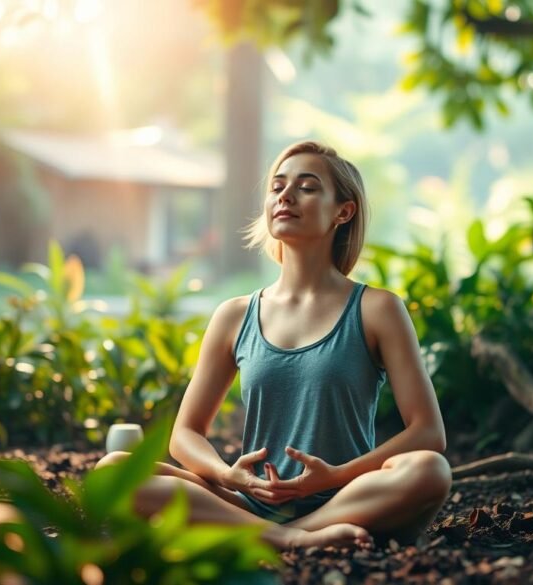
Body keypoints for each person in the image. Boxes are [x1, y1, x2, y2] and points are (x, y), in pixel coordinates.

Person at [97, 141, 451, 551]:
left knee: (429, 470)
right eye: (278, 186)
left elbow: (428, 431)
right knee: (112, 470)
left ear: (344, 211)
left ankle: (288, 533)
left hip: (350, 498)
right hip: (249, 503)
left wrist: (334, 476)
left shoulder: (377, 309)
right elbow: (185, 434)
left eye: (307, 187)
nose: (285, 195)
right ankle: (287, 538)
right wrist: (227, 475)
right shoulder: (235, 315)